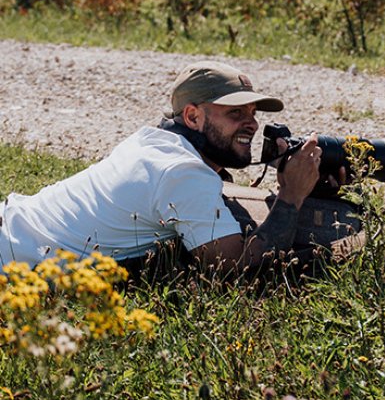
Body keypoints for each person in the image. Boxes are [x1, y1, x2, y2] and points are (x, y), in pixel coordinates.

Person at [0, 61, 323, 277]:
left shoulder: (151, 141)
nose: (251, 123)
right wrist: (291, 193)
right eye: (235, 113)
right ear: (193, 117)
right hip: (11, 269)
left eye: (253, 113)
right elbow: (234, 269)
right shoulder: (181, 171)